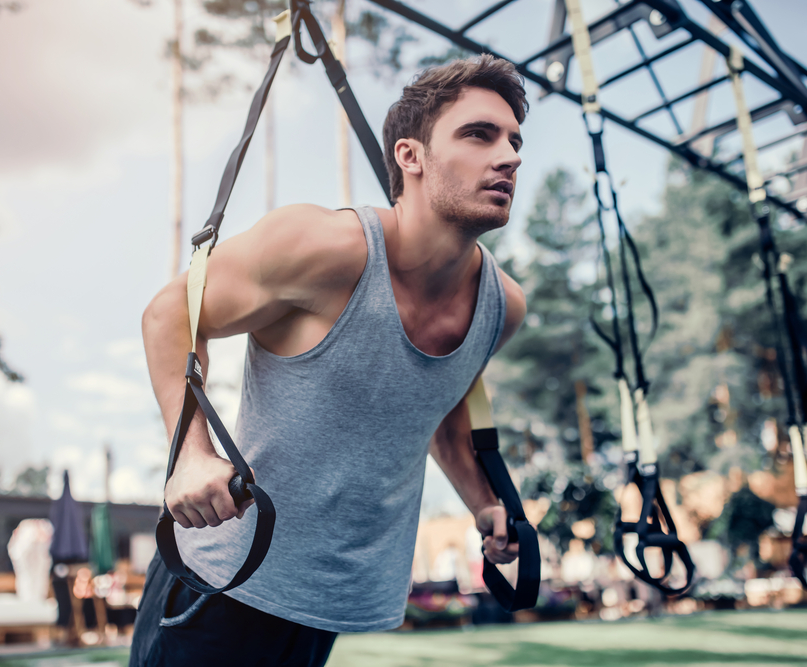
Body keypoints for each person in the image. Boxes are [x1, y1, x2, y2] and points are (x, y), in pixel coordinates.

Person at [132, 54, 530, 667]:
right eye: (479, 134)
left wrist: (483, 501)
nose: (508, 156)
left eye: (513, 140)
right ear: (410, 156)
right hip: (221, 578)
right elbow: (169, 314)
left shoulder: (502, 306)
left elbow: (442, 410)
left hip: (327, 602)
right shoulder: (323, 248)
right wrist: (190, 454)